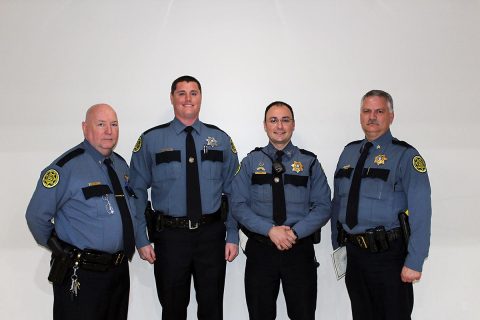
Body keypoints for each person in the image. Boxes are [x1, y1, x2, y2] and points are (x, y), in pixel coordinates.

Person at [129, 75, 239, 320]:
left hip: (211, 236)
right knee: (173, 310)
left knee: (212, 310)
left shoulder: (220, 140)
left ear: (201, 98)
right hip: (170, 238)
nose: (188, 99)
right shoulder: (151, 140)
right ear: (172, 98)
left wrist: (232, 234)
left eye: (194, 93)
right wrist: (140, 238)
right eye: (181, 93)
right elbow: (135, 191)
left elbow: (234, 191)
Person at [26, 104, 137, 320]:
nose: (109, 131)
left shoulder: (121, 166)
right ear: (85, 128)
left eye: (113, 124)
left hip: (119, 272)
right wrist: (58, 247)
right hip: (83, 273)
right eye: (101, 124)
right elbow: (35, 215)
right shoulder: (65, 167)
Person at [331, 90, 432, 320]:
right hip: (355, 256)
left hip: (389, 256)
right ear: (360, 115)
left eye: (379, 111)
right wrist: (338, 244)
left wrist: (415, 261)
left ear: (391, 116)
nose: (372, 117)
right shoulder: (348, 153)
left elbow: (421, 211)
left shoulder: (406, 156)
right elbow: (338, 202)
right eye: (367, 111)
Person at [231, 101, 332, 320]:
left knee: (303, 314)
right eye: (273, 120)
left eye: (285, 120)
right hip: (261, 251)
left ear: (293, 125)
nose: (279, 126)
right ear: (265, 126)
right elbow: (237, 204)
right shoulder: (250, 162)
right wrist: (269, 230)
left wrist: (293, 234)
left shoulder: (309, 162)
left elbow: (324, 206)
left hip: (299, 250)